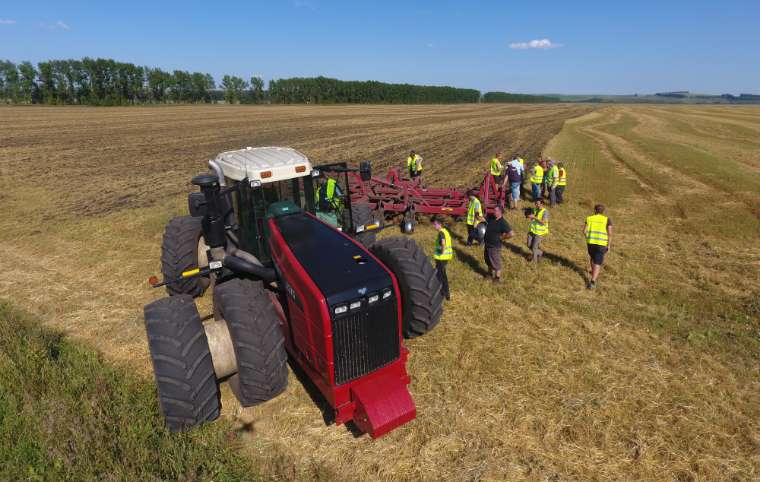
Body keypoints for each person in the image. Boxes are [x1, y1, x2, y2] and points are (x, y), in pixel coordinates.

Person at [584, 204, 613, 289]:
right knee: (598, 262)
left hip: (591, 243)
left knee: (593, 258)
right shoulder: (607, 219)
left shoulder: (589, 218)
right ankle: (593, 281)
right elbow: (610, 233)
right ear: (603, 211)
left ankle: (593, 272)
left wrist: (588, 239)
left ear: (595, 210)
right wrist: (609, 245)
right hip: (601, 244)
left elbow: (584, 231)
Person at [483, 206, 514, 282]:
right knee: (488, 261)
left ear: (500, 212)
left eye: (495, 211)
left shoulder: (503, 222)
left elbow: (511, 234)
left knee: (496, 262)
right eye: (494, 210)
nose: (494, 212)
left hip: (494, 246)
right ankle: (489, 274)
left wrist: (502, 237)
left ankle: (497, 278)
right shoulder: (492, 218)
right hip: (487, 244)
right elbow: (483, 219)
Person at [432, 216, 452, 300]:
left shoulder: (441, 233)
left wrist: (441, 251)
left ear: (440, 224)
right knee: (440, 275)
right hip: (444, 257)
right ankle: (442, 292)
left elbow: (443, 243)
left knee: (442, 276)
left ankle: (445, 293)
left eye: (435, 224)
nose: (434, 226)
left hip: (441, 258)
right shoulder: (445, 231)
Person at [526, 199, 549, 264]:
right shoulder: (534, 209)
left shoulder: (545, 212)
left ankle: (534, 262)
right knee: (529, 245)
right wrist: (528, 215)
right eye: (535, 203)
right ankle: (540, 253)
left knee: (534, 248)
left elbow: (543, 222)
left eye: (537, 203)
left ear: (542, 204)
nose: (536, 205)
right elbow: (531, 217)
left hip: (539, 233)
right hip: (532, 231)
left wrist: (534, 217)